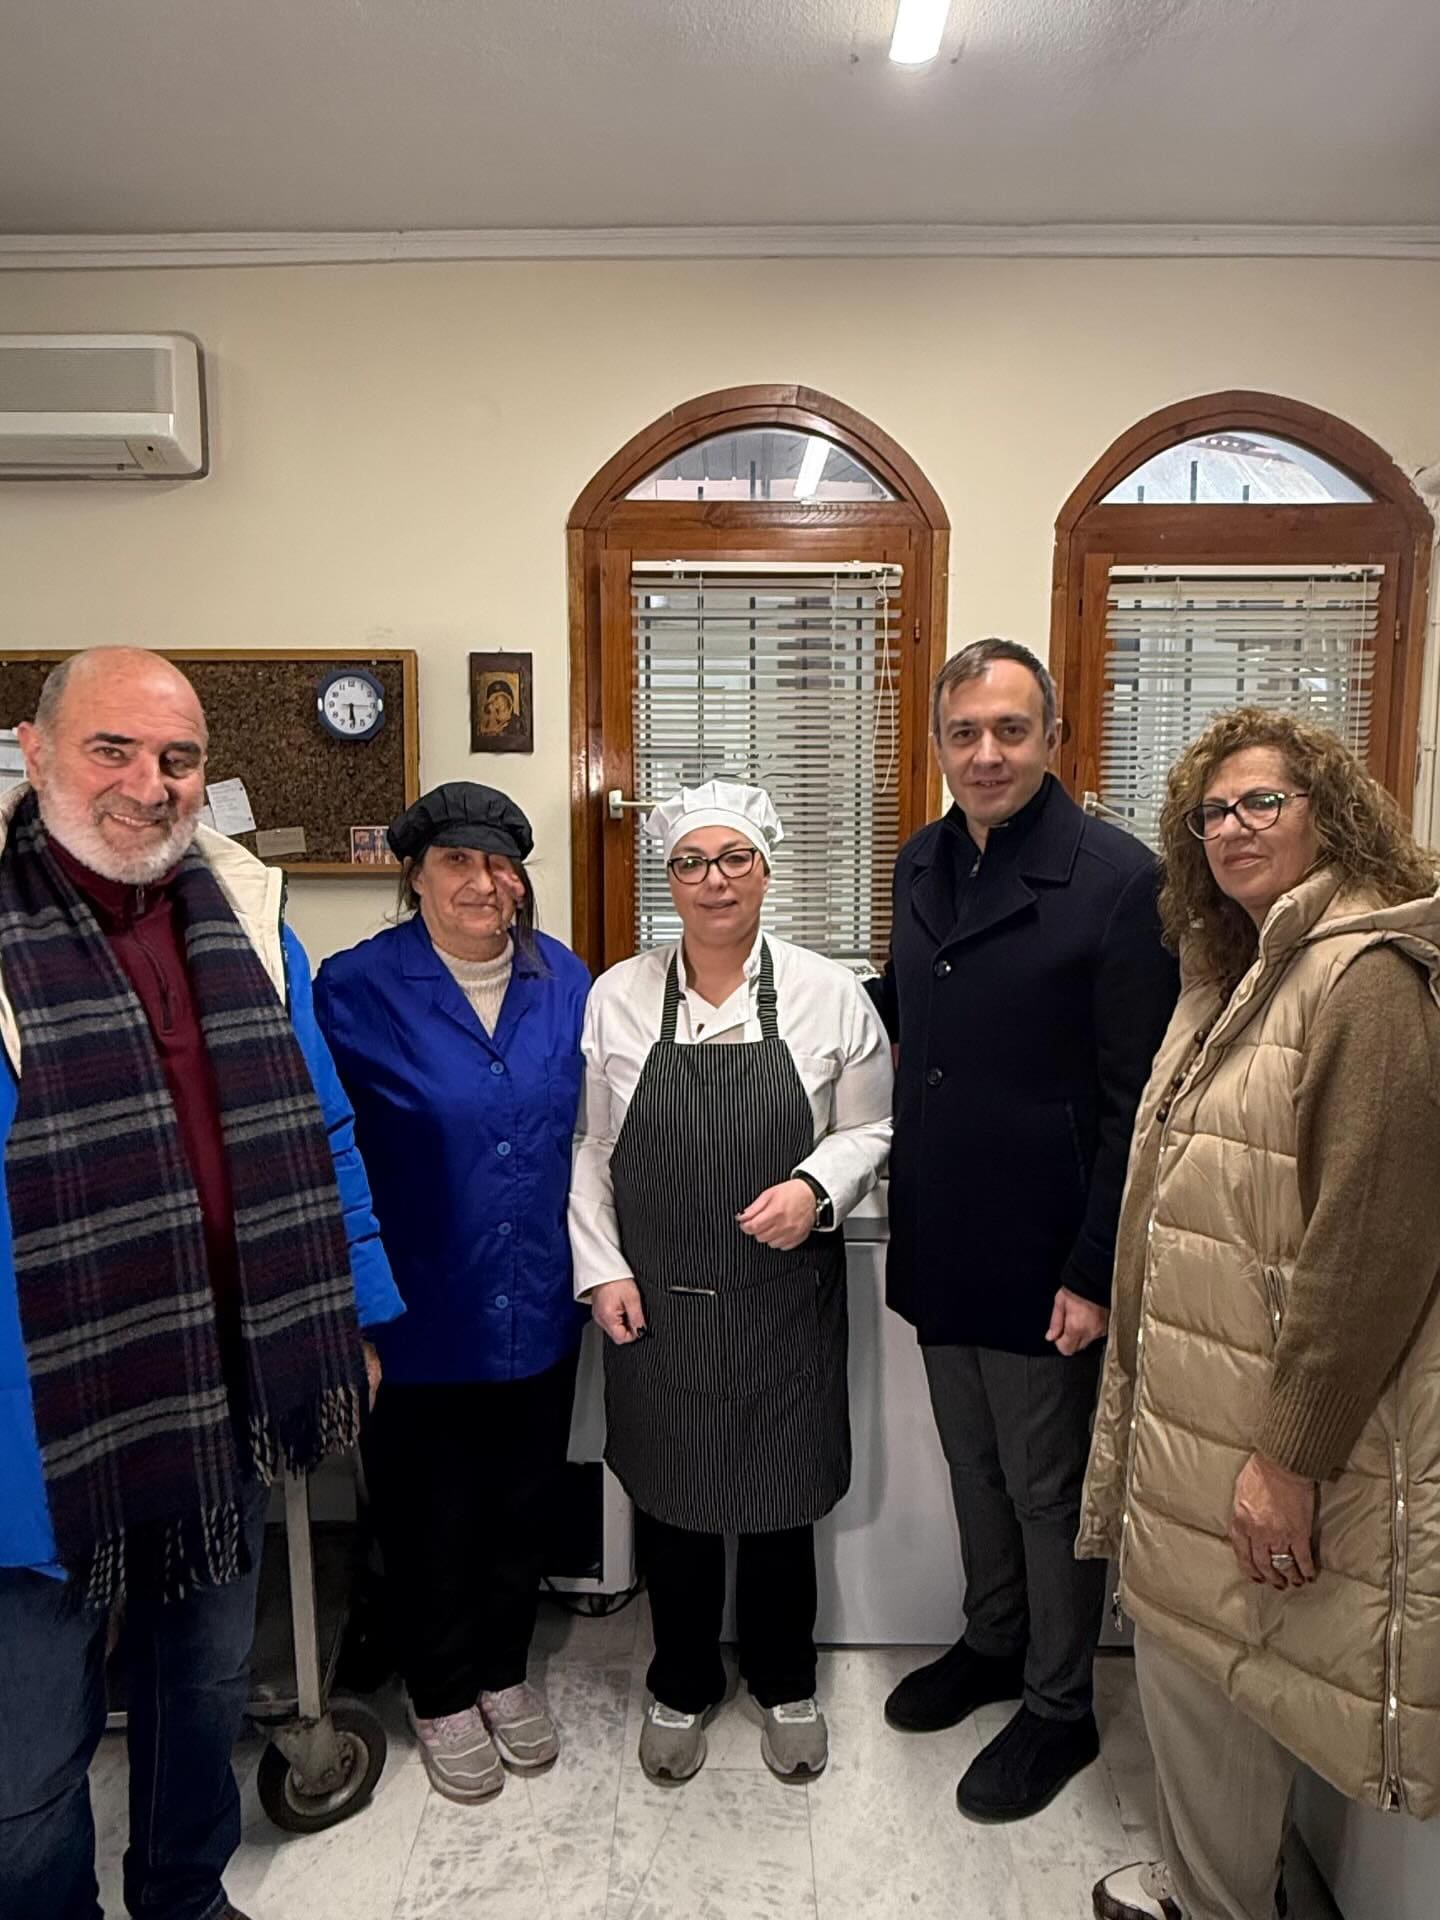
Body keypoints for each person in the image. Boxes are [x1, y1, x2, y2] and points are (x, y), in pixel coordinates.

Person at [0, 648, 402, 1920]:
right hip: (36, 1417)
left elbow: (323, 1132)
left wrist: (359, 1315)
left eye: (177, 758)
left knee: (202, 1687)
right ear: (34, 753)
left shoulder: (246, 920)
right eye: (111, 749)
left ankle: (184, 1893)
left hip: (223, 1384)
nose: (150, 783)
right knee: (26, 1760)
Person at [1085, 710, 1440, 1920]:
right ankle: (1211, 1885)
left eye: (1262, 803)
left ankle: (1215, 1901)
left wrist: (1289, 1456)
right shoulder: (1235, 970)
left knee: (1222, 1660)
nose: (1232, 829)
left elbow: (1374, 1247)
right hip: (1203, 1395)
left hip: (1264, 1420)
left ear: (1330, 813)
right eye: (1211, 812)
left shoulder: (1365, 978)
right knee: (1208, 1658)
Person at [873, 638, 1178, 1822]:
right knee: (975, 1465)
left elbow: (1136, 1105)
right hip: (941, 1227)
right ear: (938, 745)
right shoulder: (921, 858)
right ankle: (993, 1641)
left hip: (1049, 1248)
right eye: (965, 732)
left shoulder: (1119, 882)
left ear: (1053, 736)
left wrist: (1096, 1271)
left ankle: (1059, 1704)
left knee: (1050, 1490)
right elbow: (912, 1009)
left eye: (1010, 729)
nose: (987, 753)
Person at [570, 780, 892, 1783]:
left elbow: (873, 1126)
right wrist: (602, 1269)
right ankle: (680, 1682)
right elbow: (592, 1148)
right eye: (691, 863)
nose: (714, 881)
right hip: (657, 1301)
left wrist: (815, 1189)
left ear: (766, 870)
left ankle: (785, 1679)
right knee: (673, 1503)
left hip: (782, 1299)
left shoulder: (830, 993)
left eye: (735, 859)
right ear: (668, 879)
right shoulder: (617, 996)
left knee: (781, 1501)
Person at [314, 782, 590, 1805]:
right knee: (429, 1511)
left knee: (523, 1501)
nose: (483, 883)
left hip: (537, 1297)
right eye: (457, 863)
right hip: (417, 1306)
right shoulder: (353, 988)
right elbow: (321, 1148)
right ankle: (439, 1692)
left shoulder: (565, 979)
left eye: (501, 864)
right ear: (417, 878)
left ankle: (504, 1673)